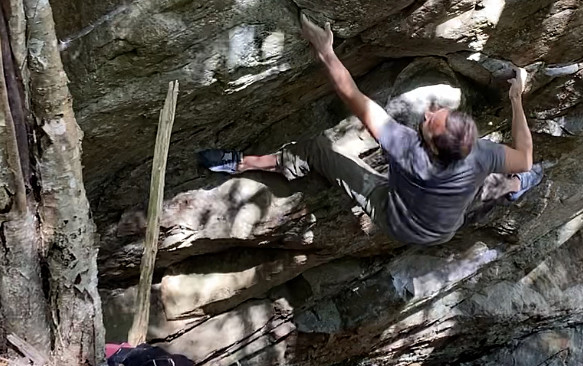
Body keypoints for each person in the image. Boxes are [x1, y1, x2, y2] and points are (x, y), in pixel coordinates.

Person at [197, 14, 543, 247]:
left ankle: (243, 164)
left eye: (429, 122)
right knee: (488, 183)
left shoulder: (406, 148)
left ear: (433, 147)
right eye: (438, 113)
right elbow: (525, 157)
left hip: (397, 218)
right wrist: (516, 99)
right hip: (443, 229)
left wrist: (325, 50)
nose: (428, 113)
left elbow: (352, 94)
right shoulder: (480, 154)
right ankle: (516, 186)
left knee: (317, 149)